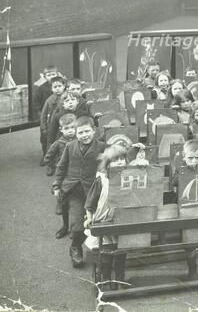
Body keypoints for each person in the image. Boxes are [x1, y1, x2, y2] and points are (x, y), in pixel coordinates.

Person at [52, 116, 106, 267]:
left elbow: (116, 156)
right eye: (80, 132)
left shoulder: (102, 147)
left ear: (94, 131)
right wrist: (57, 185)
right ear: (75, 133)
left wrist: (135, 149)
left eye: (87, 131)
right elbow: (61, 167)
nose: (84, 135)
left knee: (94, 221)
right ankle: (76, 247)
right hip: (74, 190)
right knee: (77, 223)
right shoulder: (70, 147)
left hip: (92, 191)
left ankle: (97, 249)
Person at [83, 144, 128, 290]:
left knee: (121, 252)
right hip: (104, 221)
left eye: (123, 159)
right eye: (116, 160)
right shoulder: (101, 181)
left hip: (121, 221)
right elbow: (89, 203)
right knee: (106, 252)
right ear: (108, 164)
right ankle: (106, 278)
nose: (120, 162)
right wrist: (89, 218)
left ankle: (120, 278)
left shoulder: (128, 177)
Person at [171, 139, 198, 280]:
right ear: (184, 157)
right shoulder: (180, 170)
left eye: (197, 158)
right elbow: (174, 182)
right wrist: (186, 171)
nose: (193, 161)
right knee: (189, 242)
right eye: (190, 158)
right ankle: (192, 270)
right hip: (187, 211)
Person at [39, 75, 67, 164]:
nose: (57, 89)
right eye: (55, 87)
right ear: (51, 88)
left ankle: (62, 161)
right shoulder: (49, 100)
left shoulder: (67, 97)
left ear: (64, 86)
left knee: (63, 143)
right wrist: (43, 127)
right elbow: (43, 115)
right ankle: (49, 163)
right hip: (52, 125)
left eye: (59, 86)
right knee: (50, 143)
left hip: (64, 124)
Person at [45, 113, 77, 177]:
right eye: (66, 128)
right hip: (65, 173)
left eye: (72, 127)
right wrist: (55, 166)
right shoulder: (58, 143)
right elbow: (48, 157)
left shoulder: (80, 140)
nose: (70, 130)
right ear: (61, 129)